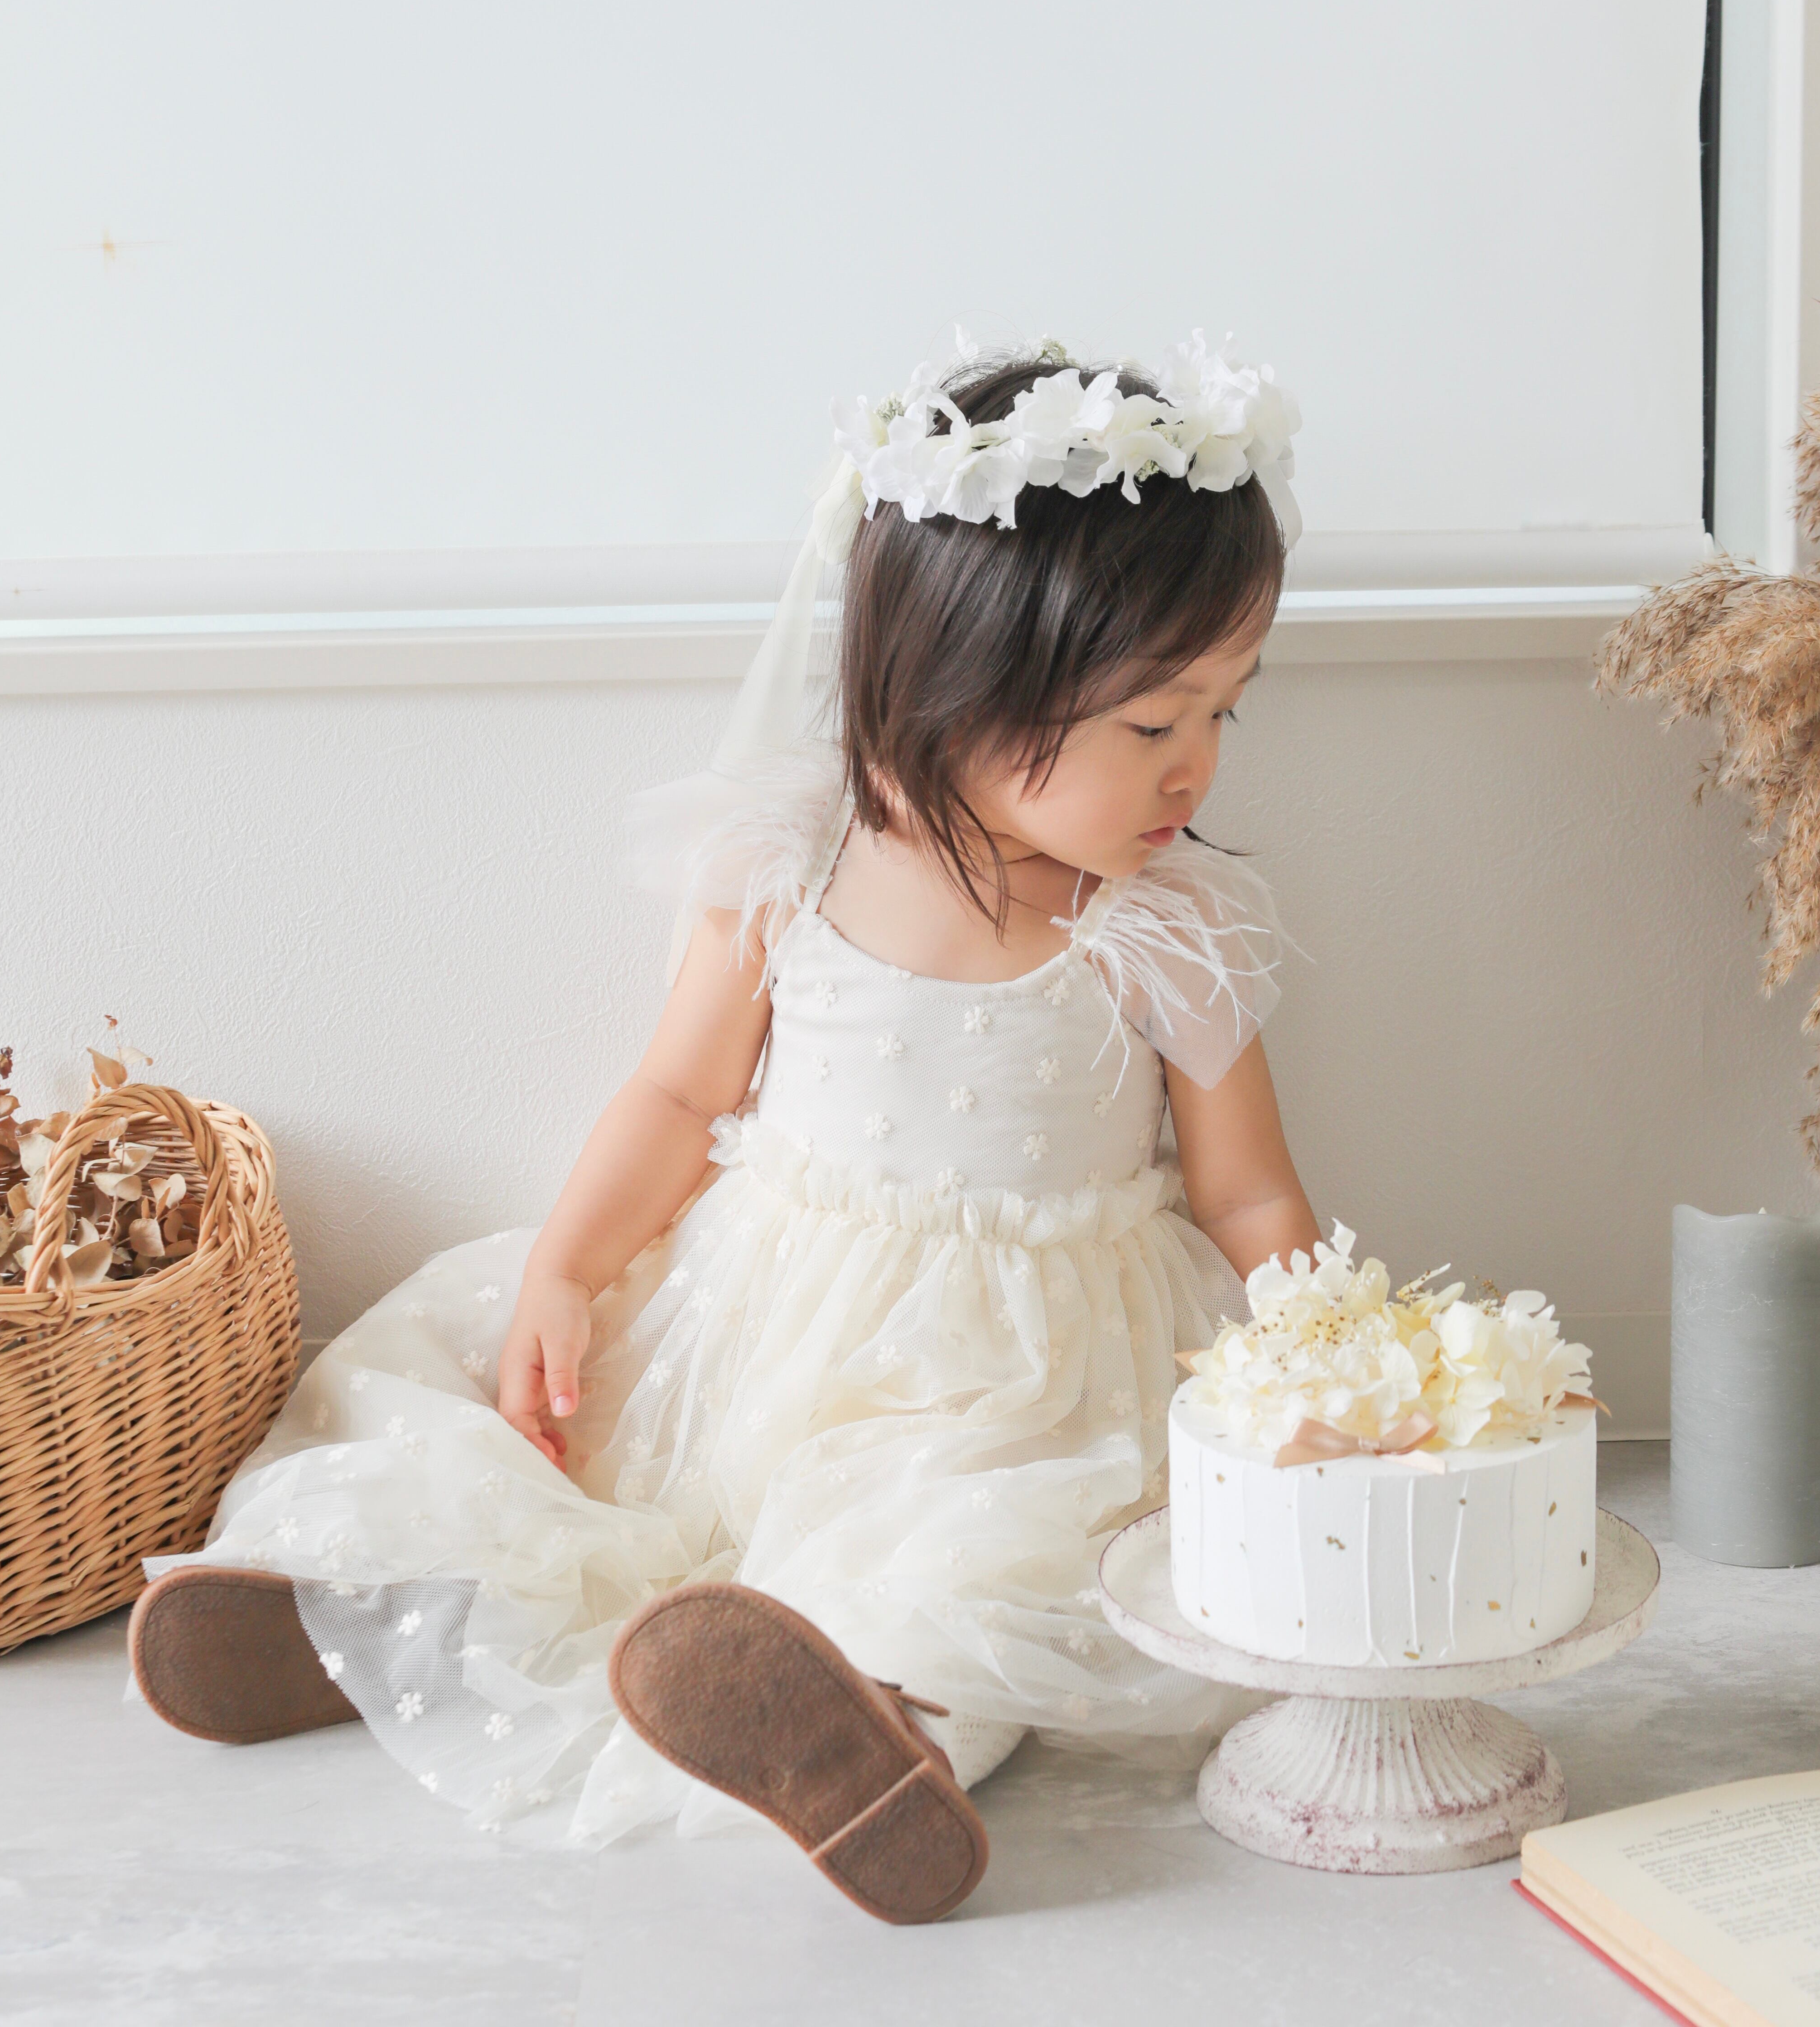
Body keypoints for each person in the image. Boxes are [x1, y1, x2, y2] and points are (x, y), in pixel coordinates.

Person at [130, 330, 1322, 1923]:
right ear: (963, 689)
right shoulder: (793, 861)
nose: (1200, 768)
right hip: (755, 1319)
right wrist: (567, 1268)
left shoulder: (1164, 928)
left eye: (1228, 712)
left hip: (1023, 1383)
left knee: (973, 1562)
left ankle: (872, 1740)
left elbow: (1247, 1200)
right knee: (543, 1456)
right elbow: (682, 1096)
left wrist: (1320, 1369)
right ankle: (369, 1609)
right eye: (1154, 723)